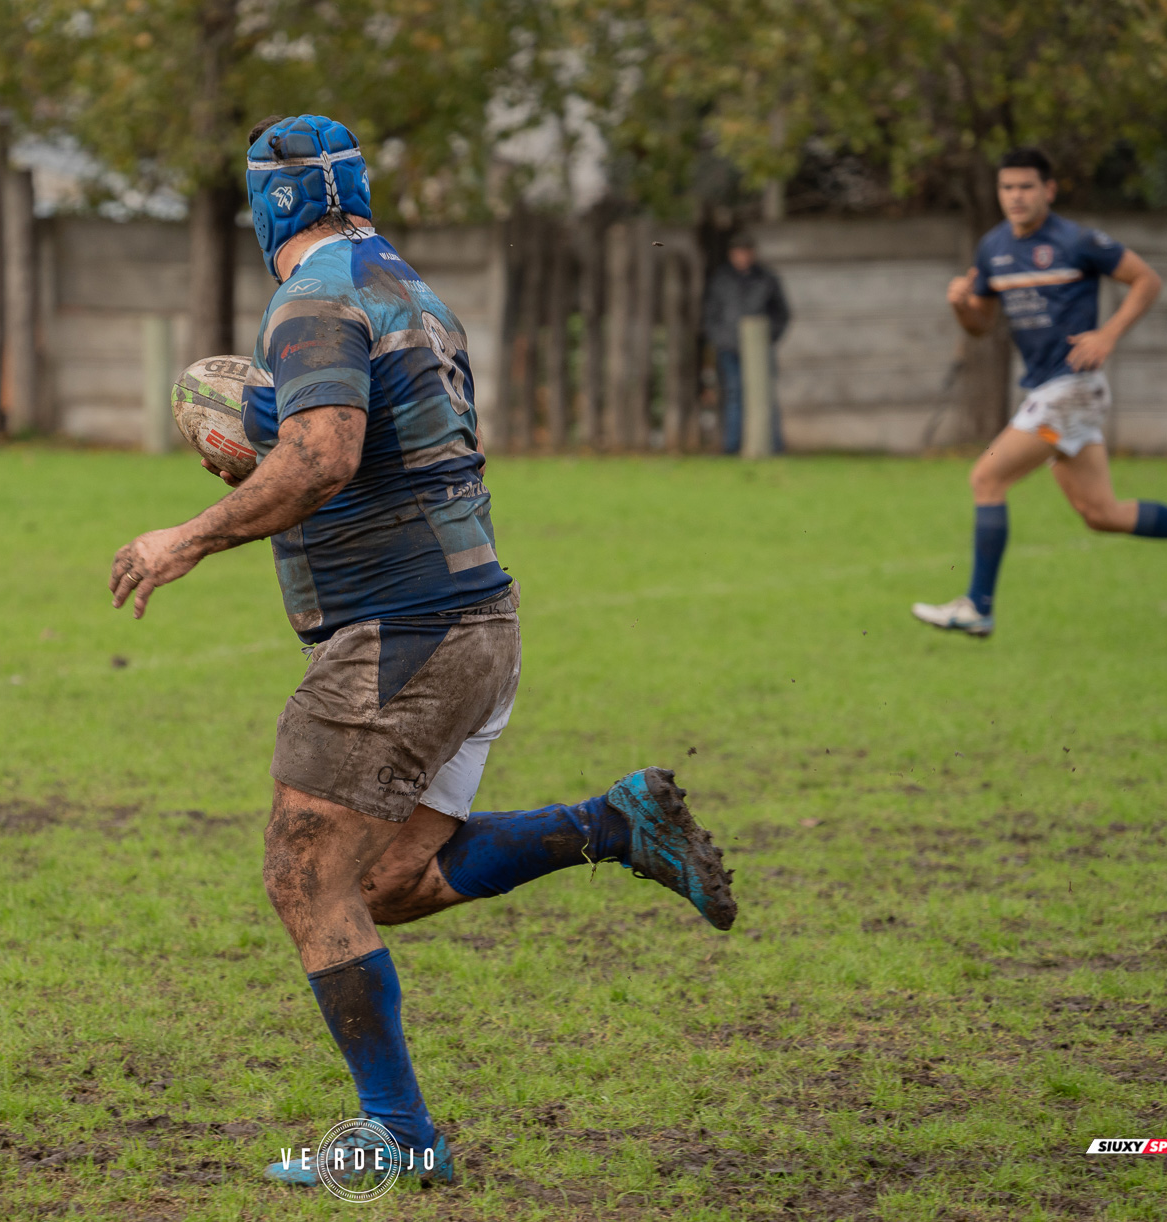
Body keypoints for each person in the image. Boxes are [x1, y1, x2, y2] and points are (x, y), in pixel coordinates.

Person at [108, 115, 737, 1190]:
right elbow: (370, 450)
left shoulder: (312, 300)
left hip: (399, 633)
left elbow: (324, 456)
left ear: (271, 203)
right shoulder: (407, 288)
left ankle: (398, 1134)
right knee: (390, 879)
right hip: (474, 621)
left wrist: (190, 536)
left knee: (303, 872)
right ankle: (612, 823)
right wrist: (263, 437)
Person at [912, 147, 1167, 637]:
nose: (1016, 196)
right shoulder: (992, 248)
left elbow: (1146, 280)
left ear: (1048, 190)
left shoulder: (1077, 241)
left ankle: (977, 606)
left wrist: (1108, 334)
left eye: (1026, 186)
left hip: (1071, 388)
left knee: (986, 477)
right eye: (1007, 187)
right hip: (1051, 390)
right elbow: (980, 326)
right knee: (1101, 514)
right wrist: (960, 306)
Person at [703, 232, 789, 454]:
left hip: (760, 347)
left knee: (764, 394)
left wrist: (768, 336)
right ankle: (732, 447)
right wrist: (723, 340)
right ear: (732, 254)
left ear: (753, 253)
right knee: (734, 394)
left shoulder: (767, 279)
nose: (743, 257)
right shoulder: (721, 280)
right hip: (729, 348)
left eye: (746, 252)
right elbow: (711, 316)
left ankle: (774, 446)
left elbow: (782, 313)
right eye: (738, 252)